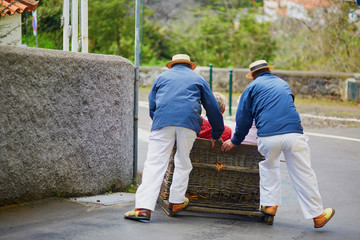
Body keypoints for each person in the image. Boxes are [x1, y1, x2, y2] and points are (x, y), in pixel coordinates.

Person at [221, 60, 335, 228]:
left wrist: (235, 140)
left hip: (268, 135)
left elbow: (243, 119)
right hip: (293, 133)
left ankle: (270, 206)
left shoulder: (251, 88)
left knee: (269, 166)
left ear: (252, 75)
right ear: (269, 70)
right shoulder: (283, 84)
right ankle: (317, 216)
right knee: (303, 172)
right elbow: (288, 105)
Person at [124, 54, 225, 222]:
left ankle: (143, 208)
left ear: (171, 65)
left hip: (163, 120)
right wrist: (216, 133)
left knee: (155, 163)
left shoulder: (162, 78)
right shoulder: (198, 79)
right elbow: (213, 109)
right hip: (189, 122)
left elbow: (152, 105)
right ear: (190, 66)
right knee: (183, 161)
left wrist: (159, 121)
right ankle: (176, 201)